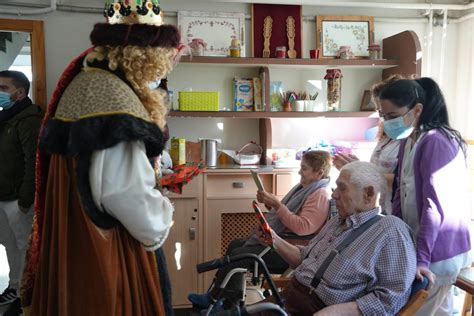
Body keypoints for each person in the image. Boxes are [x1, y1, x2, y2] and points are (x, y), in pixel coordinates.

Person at [19, 1, 182, 314]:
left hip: (75, 244)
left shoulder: (88, 83)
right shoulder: (115, 102)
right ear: (144, 54)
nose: (164, 65)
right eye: (163, 55)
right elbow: (125, 194)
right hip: (106, 255)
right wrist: (163, 212)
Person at [256, 161, 417, 315]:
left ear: (369, 194)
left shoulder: (391, 232)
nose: (334, 195)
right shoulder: (338, 220)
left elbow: (391, 299)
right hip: (290, 298)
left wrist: (334, 312)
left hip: (318, 309)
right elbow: (303, 258)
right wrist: (274, 240)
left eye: (342, 188)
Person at [188, 150, 333, 309]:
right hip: (284, 240)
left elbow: (303, 227)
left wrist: (278, 205)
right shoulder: (307, 188)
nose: (299, 172)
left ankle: (217, 300)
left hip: (291, 250)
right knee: (236, 244)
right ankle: (227, 301)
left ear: (319, 173)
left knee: (239, 255)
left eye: (304, 168)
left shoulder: (320, 195)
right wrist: (272, 205)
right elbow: (289, 216)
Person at [378, 77, 471, 315]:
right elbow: (401, 191)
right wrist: (397, 236)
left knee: (420, 308)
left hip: (438, 251)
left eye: (392, 116)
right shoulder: (408, 139)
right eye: (383, 116)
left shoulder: (435, 141)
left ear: (417, 109)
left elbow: (434, 207)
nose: (387, 122)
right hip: (419, 244)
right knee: (440, 311)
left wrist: (421, 259)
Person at [0, 70, 42, 311]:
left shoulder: (29, 119)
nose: (0, 93)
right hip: (4, 196)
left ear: (20, 92)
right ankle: (14, 288)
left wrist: (26, 200)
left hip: (19, 200)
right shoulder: (6, 117)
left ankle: (25, 295)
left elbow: (33, 163)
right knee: (9, 244)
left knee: (24, 246)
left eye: (3, 89)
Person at [333, 74, 404, 214]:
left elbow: (402, 180)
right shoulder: (386, 136)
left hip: (398, 210)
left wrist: (363, 174)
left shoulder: (411, 140)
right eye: (380, 112)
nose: (383, 117)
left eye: (388, 113)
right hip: (383, 208)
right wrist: (360, 167)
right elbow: (379, 170)